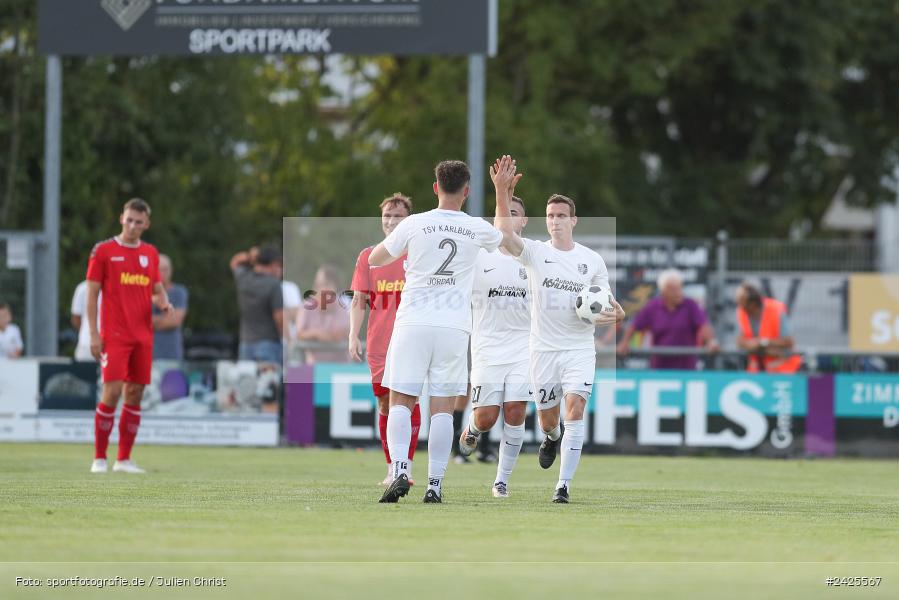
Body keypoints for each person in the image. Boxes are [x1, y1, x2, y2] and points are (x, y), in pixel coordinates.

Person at [491, 155, 624, 503]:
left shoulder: (591, 260)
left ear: (573, 220)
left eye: (561, 215)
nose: (555, 221)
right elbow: (503, 236)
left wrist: (615, 311)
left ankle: (562, 486)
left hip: (579, 349)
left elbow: (604, 301)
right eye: (550, 216)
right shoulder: (535, 252)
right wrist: (501, 192)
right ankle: (551, 438)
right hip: (543, 350)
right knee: (548, 421)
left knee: (575, 409)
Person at [373, 160, 503, 504]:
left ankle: (400, 470)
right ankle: (435, 484)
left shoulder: (415, 223)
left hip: (413, 323)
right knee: (443, 409)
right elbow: (505, 238)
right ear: (467, 191)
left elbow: (376, 258)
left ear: (435, 187)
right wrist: (502, 192)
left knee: (401, 401)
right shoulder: (475, 227)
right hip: (454, 328)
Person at [87, 198, 173, 474]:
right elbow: (92, 294)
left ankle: (123, 459)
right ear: (121, 219)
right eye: (129, 220)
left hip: (143, 336)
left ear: (147, 224)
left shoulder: (150, 253)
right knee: (112, 392)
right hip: (114, 334)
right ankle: (99, 458)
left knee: (135, 394)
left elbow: (156, 288)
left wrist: (163, 301)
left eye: (139, 222)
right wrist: (93, 334)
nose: (133, 225)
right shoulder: (104, 251)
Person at [457, 195, 531, 498]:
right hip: (487, 348)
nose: (509, 217)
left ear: (524, 221)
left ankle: (502, 480)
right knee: (487, 417)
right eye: (505, 212)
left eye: (515, 213)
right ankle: (473, 429)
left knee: (515, 411)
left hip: (524, 348)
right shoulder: (479, 257)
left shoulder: (534, 256)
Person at [349, 193, 422, 486]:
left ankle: (406, 467)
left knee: (409, 402)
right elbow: (359, 300)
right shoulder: (369, 256)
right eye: (387, 216)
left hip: (411, 340)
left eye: (398, 216)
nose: (391, 221)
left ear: (409, 220)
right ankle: (392, 467)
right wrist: (353, 335)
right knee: (384, 404)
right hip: (379, 342)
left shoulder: (417, 255)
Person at [616, 269, 718, 369]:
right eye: (673, 289)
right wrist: (624, 342)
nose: (678, 293)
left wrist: (711, 341)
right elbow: (634, 325)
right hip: (660, 369)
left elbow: (703, 325)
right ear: (663, 291)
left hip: (686, 369)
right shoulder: (653, 307)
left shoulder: (691, 305)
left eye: (680, 288)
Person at [230, 245, 284, 365]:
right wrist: (286, 339)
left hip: (246, 344)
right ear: (274, 264)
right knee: (270, 377)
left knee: (246, 376)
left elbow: (235, 262)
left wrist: (250, 257)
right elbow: (279, 318)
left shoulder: (243, 278)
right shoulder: (274, 284)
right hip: (269, 344)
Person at [735, 282, 801, 373]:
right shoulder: (742, 312)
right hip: (758, 371)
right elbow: (740, 341)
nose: (742, 308)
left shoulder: (776, 310)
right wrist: (750, 345)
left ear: (753, 303)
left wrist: (763, 342)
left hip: (783, 370)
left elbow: (788, 341)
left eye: (744, 305)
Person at [295, 264, 351, 364]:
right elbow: (299, 334)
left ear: (335, 287)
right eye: (318, 284)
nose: (322, 289)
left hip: (339, 365)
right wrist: (317, 333)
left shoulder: (342, 306)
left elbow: (337, 336)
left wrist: (313, 334)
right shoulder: (306, 306)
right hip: (313, 366)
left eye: (326, 284)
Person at [152, 254, 189, 360]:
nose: (162, 273)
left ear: (171, 270)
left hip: (171, 356)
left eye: (165, 269)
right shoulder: (142, 292)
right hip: (147, 356)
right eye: (159, 269)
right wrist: (164, 318)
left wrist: (150, 321)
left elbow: (174, 321)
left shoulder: (179, 292)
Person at [71, 281, 101, 361]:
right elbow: (76, 318)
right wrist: (91, 334)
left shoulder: (82, 288)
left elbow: (76, 318)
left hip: (109, 345)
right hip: (86, 344)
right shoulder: (82, 288)